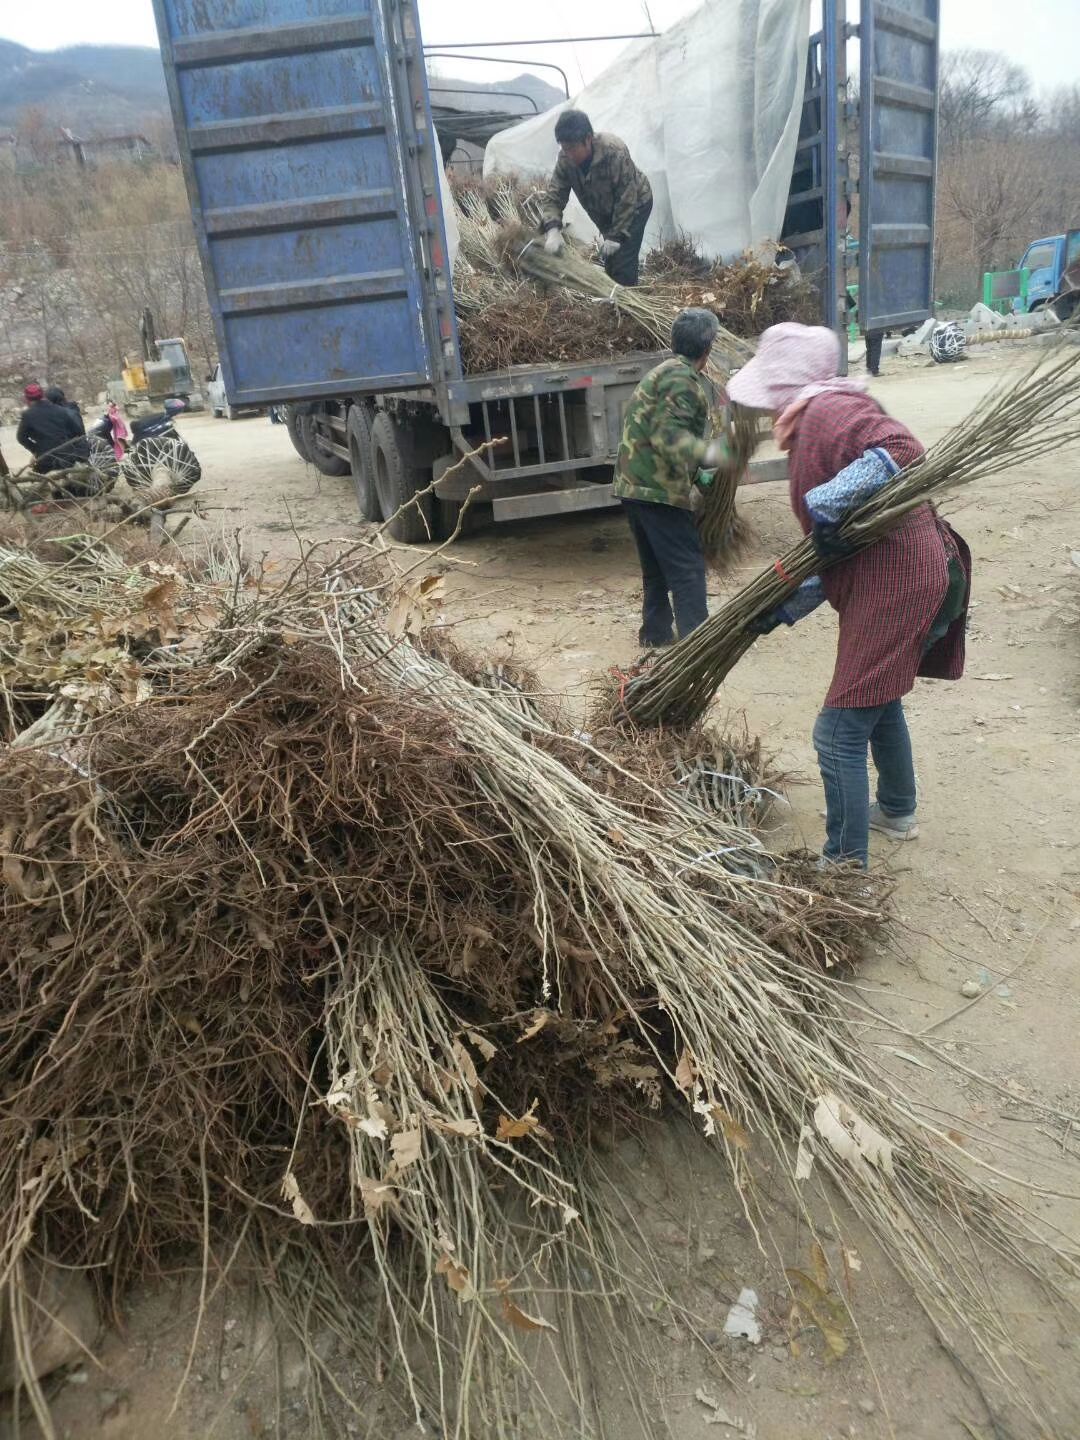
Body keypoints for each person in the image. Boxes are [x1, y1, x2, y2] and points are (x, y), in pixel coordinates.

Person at [727, 323, 970, 869]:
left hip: (898, 583)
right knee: (878, 699)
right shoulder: (815, 420)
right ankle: (898, 810)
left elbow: (905, 450)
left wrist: (827, 503)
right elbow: (830, 550)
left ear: (782, 387)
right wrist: (780, 609)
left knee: (837, 730)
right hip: (908, 575)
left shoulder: (827, 412)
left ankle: (842, 867)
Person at [614, 308, 735, 648]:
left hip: (636, 484)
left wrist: (702, 478)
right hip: (657, 489)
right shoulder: (682, 381)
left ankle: (655, 634)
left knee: (655, 567)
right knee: (687, 567)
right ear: (708, 348)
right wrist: (719, 455)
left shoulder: (667, 372)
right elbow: (671, 438)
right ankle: (697, 643)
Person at [540, 109, 653, 287]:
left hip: (636, 203)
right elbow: (554, 196)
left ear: (588, 139)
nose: (568, 154)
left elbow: (627, 198)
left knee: (623, 262)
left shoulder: (614, 151)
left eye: (572, 148)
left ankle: (626, 303)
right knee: (611, 260)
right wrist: (552, 229)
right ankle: (614, 293)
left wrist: (616, 237)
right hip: (604, 210)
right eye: (564, 148)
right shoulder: (565, 159)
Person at [15, 383, 89, 474]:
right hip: (67, 457)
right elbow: (77, 431)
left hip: (45, 460)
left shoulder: (27, 415)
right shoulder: (60, 410)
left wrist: (36, 449)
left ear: (27, 399)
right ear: (42, 395)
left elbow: (21, 438)